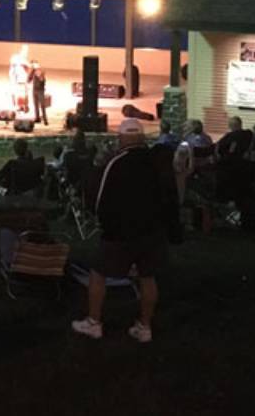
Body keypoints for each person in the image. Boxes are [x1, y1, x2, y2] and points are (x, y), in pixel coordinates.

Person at [71, 119, 179, 343]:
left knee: (99, 273)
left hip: (120, 231)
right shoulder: (157, 162)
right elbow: (169, 195)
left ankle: (94, 322)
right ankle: (145, 326)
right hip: (152, 230)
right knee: (147, 276)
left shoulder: (116, 164)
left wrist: (103, 222)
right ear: (142, 138)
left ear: (121, 139)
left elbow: (101, 200)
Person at [9, 44, 31, 113]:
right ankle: (18, 106)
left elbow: (28, 69)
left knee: (23, 94)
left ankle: (24, 106)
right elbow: (12, 69)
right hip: (16, 80)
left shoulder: (24, 62)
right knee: (16, 93)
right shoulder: (16, 59)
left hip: (22, 81)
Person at [29, 59, 48, 125]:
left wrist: (38, 73)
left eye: (33, 64)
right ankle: (37, 118)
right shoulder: (33, 71)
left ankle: (45, 120)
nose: (32, 66)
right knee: (35, 105)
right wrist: (31, 72)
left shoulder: (41, 71)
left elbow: (42, 80)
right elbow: (28, 80)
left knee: (42, 105)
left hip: (40, 90)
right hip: (34, 90)